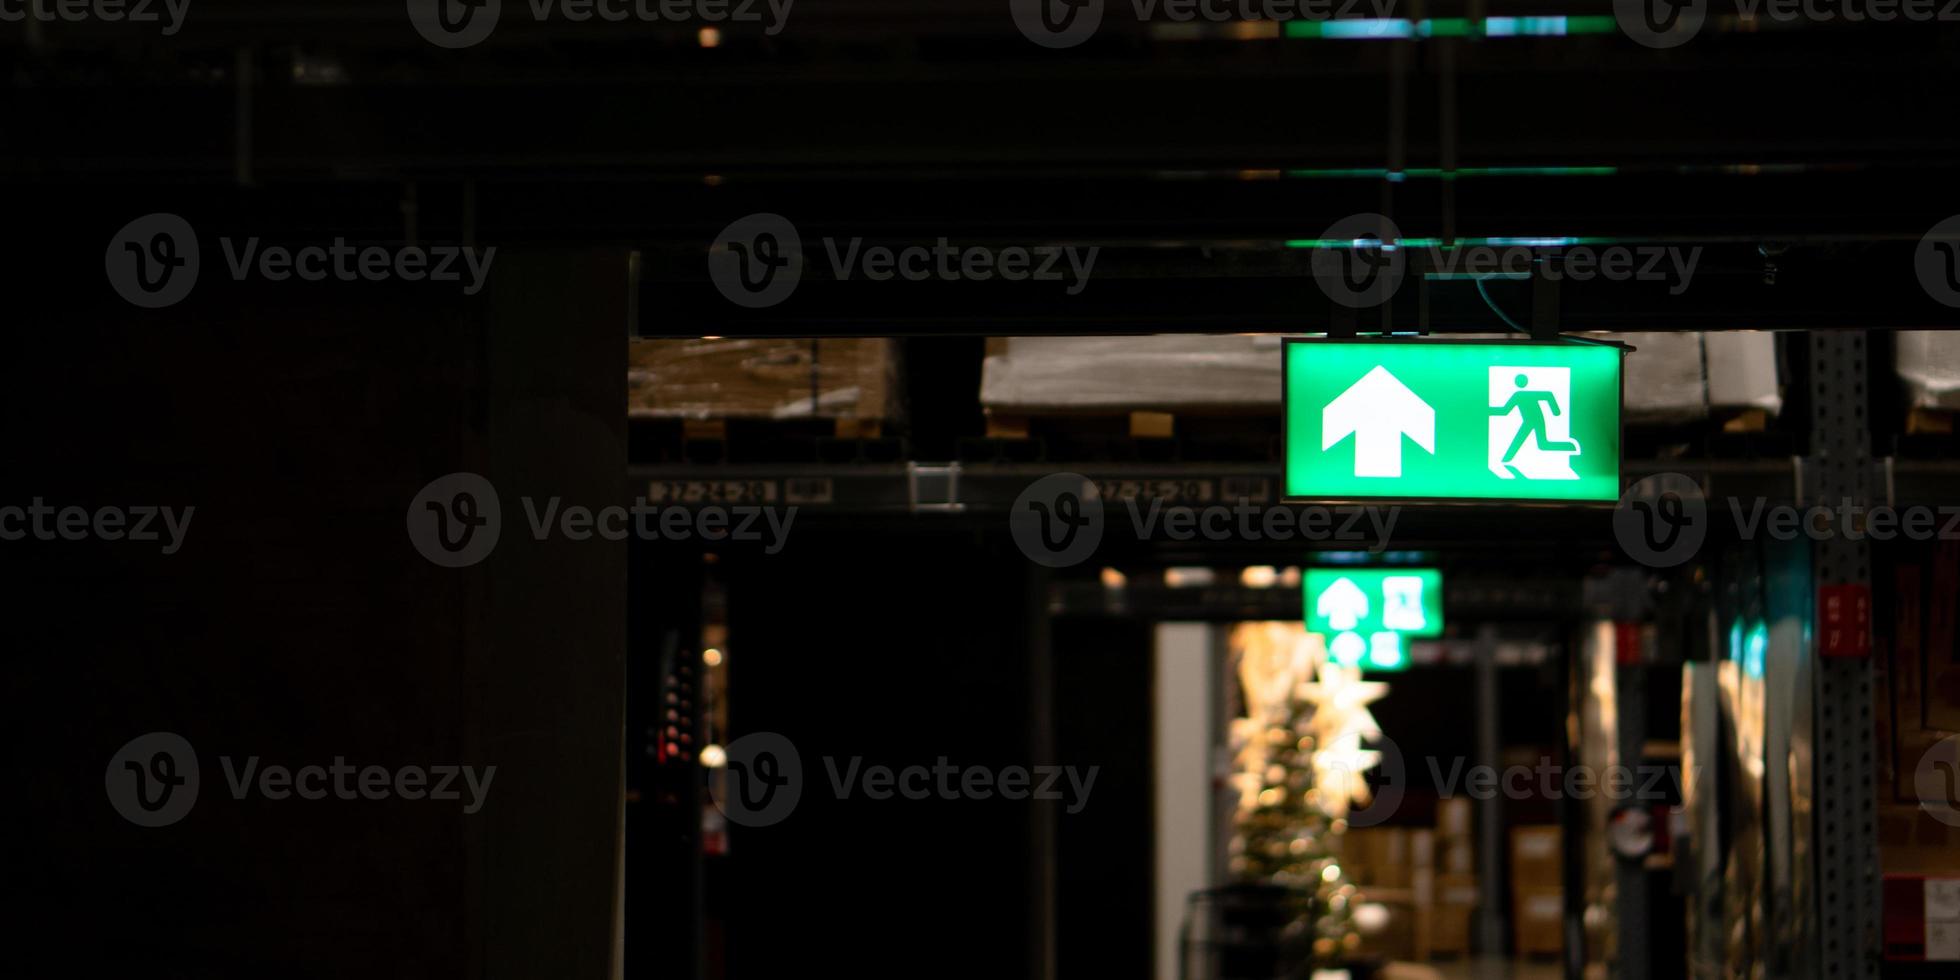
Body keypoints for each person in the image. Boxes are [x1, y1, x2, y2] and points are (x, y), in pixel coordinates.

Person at [1493, 373, 1577, 463]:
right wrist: (1487, 410)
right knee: (1543, 444)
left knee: (1541, 444)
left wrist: (1556, 411)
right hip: (1530, 421)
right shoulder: (1518, 395)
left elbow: (1548, 395)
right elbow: (1505, 411)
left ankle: (1506, 458)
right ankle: (1569, 446)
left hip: (1536, 420)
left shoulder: (1519, 395)